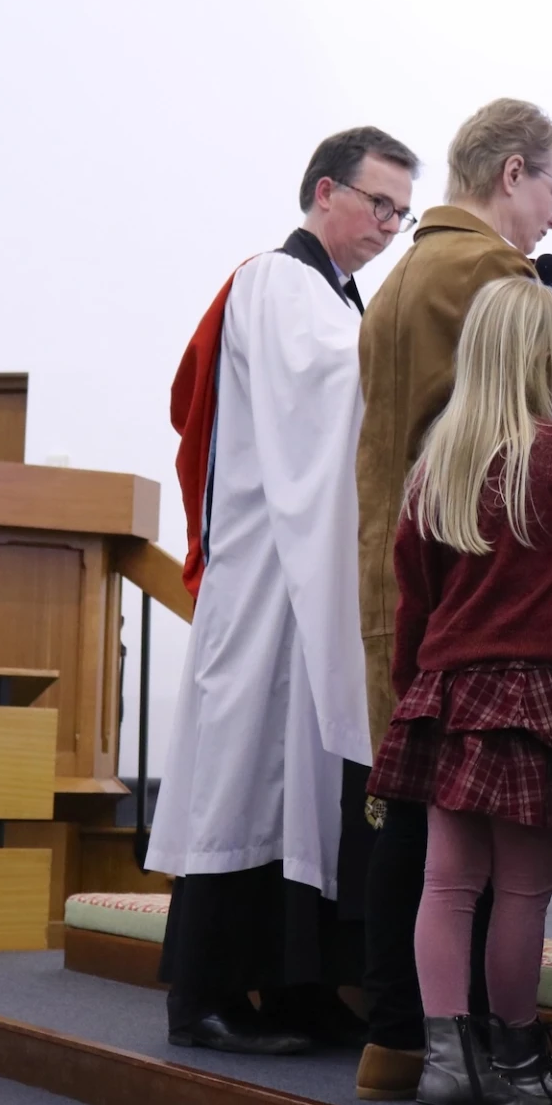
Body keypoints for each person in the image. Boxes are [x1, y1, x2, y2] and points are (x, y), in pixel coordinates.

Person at [148, 125, 419, 1055]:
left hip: (313, 580)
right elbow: (337, 381)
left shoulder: (336, 297)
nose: (388, 225)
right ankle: (204, 997)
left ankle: (300, 985)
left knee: (310, 787)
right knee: (247, 780)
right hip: (265, 577)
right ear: (324, 192)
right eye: (378, 203)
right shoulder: (275, 279)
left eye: (401, 212)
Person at [353, 99, 552, 1099]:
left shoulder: (399, 276)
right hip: (488, 588)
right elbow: (533, 444)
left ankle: (402, 1039)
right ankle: (484, 1043)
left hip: (407, 573)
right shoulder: (493, 277)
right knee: (483, 845)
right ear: (512, 172)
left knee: (414, 816)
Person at [368, 276, 552, 1105]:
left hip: (447, 693)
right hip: (534, 696)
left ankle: (448, 1069)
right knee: (521, 890)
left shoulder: (434, 465)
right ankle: (517, 1063)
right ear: (551, 359)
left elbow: (414, 602)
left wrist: (411, 694)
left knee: (445, 884)